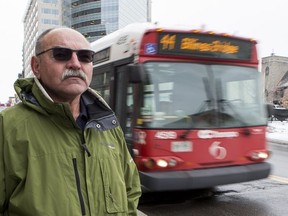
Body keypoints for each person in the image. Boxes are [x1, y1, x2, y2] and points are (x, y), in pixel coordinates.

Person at [0, 27, 141, 216]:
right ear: (36, 66)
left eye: (85, 57)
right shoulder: (7, 126)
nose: (75, 64)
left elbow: (130, 190)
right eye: (61, 54)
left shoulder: (107, 123)